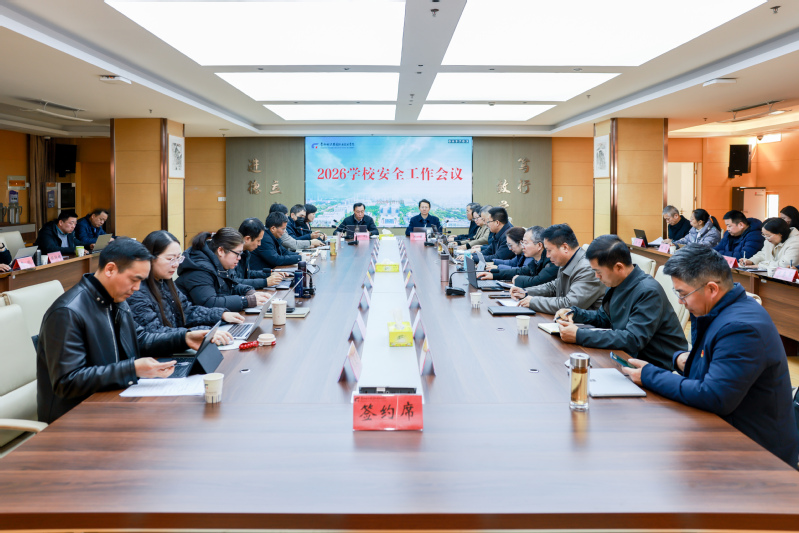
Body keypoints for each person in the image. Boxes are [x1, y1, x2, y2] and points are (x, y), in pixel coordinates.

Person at [620, 244, 799, 467]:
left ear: (712, 289)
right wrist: (682, 360)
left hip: (756, 455)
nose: (680, 301)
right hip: (725, 431)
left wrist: (649, 375)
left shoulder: (741, 328)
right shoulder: (718, 309)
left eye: (683, 293)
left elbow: (715, 396)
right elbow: (714, 371)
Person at [37, 238, 209, 423]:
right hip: (76, 418)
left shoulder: (115, 299)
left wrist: (184, 338)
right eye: (134, 280)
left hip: (113, 400)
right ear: (110, 269)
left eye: (141, 281)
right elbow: (68, 382)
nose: (137, 288)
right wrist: (132, 369)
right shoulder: (67, 312)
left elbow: (140, 339)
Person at [554, 235, 688, 370]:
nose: (596, 276)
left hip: (659, 368)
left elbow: (633, 339)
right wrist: (574, 313)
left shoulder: (648, 291)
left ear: (619, 267)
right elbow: (603, 318)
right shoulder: (616, 283)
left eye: (598, 272)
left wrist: (579, 335)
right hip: (629, 358)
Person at [129, 230, 244, 345]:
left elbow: (186, 311)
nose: (175, 264)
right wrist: (198, 333)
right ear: (150, 258)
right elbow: (155, 332)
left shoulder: (165, 282)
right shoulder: (136, 291)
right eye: (170, 259)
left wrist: (221, 315)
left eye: (178, 258)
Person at [510, 224, 604, 314]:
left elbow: (570, 304)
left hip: (586, 324)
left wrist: (533, 301)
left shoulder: (587, 269)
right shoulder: (567, 261)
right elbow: (553, 287)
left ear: (565, 247)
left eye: (549, 250)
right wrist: (525, 292)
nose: (547, 255)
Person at [176, 229, 270, 311]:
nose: (239, 258)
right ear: (221, 251)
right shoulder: (199, 269)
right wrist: (246, 301)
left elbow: (229, 287)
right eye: (237, 253)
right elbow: (209, 302)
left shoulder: (220, 264)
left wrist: (248, 291)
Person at [477, 226, 558, 288]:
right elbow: (520, 271)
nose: (523, 246)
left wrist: (518, 279)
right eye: (522, 243)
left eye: (525, 243)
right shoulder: (536, 260)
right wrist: (493, 275)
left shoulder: (551, 260)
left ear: (539, 245)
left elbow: (539, 281)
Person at [233, 218, 285, 289]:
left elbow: (248, 273)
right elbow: (234, 282)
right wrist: (265, 282)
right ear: (247, 239)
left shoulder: (245, 252)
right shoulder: (232, 254)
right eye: (258, 240)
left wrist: (270, 274)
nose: (259, 244)